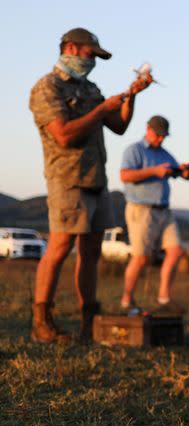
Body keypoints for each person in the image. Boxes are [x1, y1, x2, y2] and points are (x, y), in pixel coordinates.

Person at [29, 28, 152, 342]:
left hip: (97, 179)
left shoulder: (91, 88)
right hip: (67, 179)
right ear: (71, 48)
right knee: (59, 247)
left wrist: (132, 95)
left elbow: (119, 126)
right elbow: (64, 134)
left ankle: (89, 322)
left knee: (91, 251)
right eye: (90, 54)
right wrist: (101, 110)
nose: (93, 62)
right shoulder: (48, 87)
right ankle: (42, 322)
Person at [119, 115, 189, 315]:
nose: (161, 139)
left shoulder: (165, 154)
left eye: (164, 136)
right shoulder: (134, 150)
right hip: (141, 209)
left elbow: (182, 176)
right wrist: (154, 171)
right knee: (141, 257)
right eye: (158, 135)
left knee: (176, 251)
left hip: (164, 210)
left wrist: (185, 171)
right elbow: (125, 176)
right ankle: (127, 299)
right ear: (148, 129)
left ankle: (164, 298)